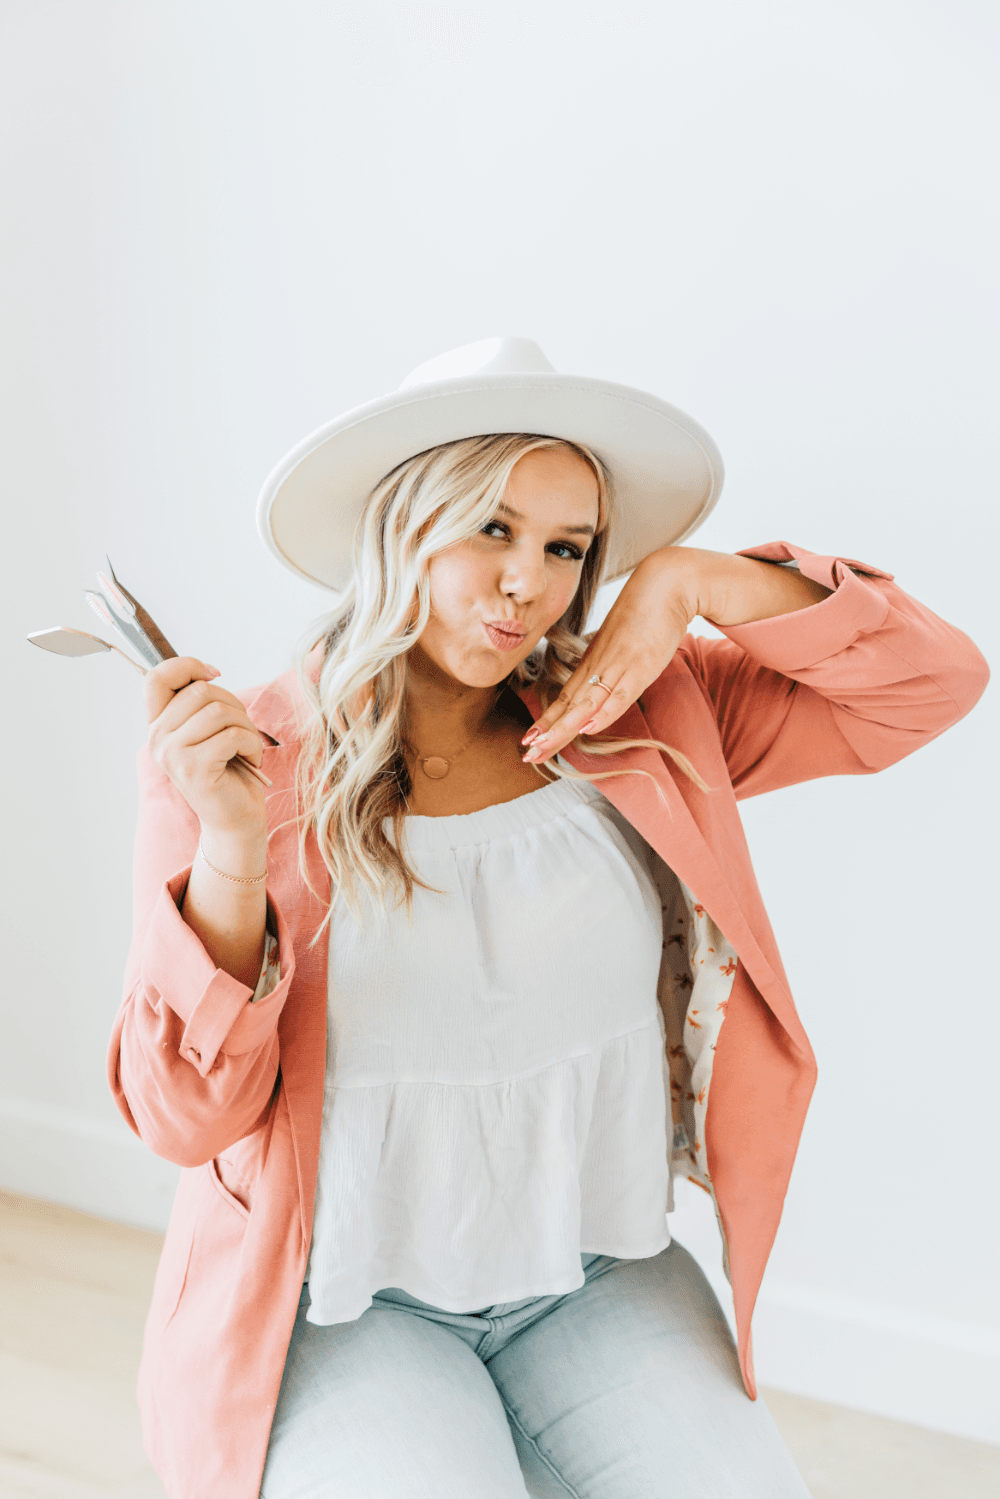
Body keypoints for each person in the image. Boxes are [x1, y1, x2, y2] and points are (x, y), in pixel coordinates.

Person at [108, 338, 989, 1499]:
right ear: (401, 524)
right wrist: (228, 852)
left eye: (567, 547)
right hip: (341, 1302)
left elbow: (929, 683)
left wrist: (690, 580)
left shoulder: (638, 715)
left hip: (598, 1271)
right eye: (490, 528)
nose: (528, 581)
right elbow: (182, 1116)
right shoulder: (247, 762)